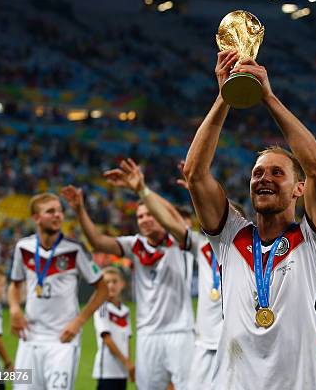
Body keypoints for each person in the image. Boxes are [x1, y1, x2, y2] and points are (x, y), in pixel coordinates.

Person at [182, 50, 316, 389]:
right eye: (257, 173)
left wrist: (267, 97)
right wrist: (226, 96)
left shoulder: (314, 238)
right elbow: (194, 174)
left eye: (276, 172)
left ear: (299, 188)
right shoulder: (230, 236)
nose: (263, 178)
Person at [99, 158, 245, 388]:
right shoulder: (201, 245)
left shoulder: (255, 251)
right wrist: (142, 190)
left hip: (239, 345)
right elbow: (168, 220)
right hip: (204, 345)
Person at [61, 181, 194, 390]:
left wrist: (143, 189)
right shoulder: (134, 245)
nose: (144, 220)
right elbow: (97, 242)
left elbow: (175, 218)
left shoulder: (179, 241)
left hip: (180, 332)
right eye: (140, 216)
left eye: (150, 214)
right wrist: (79, 210)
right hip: (147, 334)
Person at [8, 192, 107, 390]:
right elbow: (15, 284)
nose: (58, 215)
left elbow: (103, 289)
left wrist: (79, 321)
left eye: (60, 211)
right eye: (50, 211)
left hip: (62, 340)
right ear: (36, 218)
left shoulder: (74, 249)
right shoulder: (23, 247)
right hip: (29, 339)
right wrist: (14, 309)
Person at [92, 267, 134, 390]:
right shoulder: (102, 308)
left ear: (122, 284)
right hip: (107, 371)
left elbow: (127, 340)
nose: (111, 286)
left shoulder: (126, 311)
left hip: (122, 372)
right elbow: (107, 339)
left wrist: (128, 363)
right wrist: (127, 362)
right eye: (107, 282)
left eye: (114, 281)